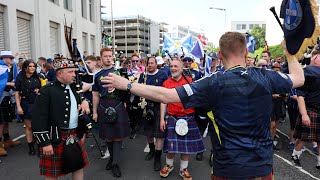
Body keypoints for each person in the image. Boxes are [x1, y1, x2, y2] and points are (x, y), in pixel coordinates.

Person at [102, 32, 304, 179]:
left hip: (227, 169)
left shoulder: (213, 82)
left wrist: (127, 84)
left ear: (221, 57)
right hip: (262, 168)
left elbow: (167, 95)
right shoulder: (265, 76)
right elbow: (298, 78)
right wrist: (290, 53)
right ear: (246, 53)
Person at [32, 56, 90, 180]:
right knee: (52, 174)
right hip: (55, 138)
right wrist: (45, 143)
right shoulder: (47, 91)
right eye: (70, 72)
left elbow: (81, 96)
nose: (74, 75)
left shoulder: (75, 87)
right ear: (59, 73)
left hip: (74, 135)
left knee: (78, 166)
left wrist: (84, 100)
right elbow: (38, 118)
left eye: (74, 71)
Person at [159, 59, 205, 180]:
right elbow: (163, 101)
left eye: (175, 66)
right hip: (173, 117)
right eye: (171, 66)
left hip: (188, 118)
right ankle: (169, 165)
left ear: (181, 68)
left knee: (186, 148)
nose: (173, 68)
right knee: (171, 145)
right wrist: (162, 119)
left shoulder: (189, 82)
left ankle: (183, 169)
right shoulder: (166, 83)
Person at [92, 47, 130, 178]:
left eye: (110, 56)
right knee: (108, 136)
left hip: (118, 104)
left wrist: (125, 104)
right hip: (103, 105)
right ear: (101, 58)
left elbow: (127, 90)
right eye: (105, 56)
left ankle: (115, 163)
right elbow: (95, 95)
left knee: (118, 136)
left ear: (113, 57)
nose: (108, 58)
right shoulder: (97, 75)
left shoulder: (119, 72)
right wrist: (94, 112)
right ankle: (112, 159)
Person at [291, 45, 320, 169]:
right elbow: (300, 95)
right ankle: (295, 154)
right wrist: (304, 114)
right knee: (304, 138)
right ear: (314, 58)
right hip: (310, 109)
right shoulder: (309, 71)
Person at [138, 56, 168, 171]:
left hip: (159, 107)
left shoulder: (162, 75)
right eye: (148, 63)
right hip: (146, 107)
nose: (150, 65)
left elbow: (165, 92)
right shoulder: (143, 76)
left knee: (159, 134)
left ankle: (157, 158)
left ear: (156, 64)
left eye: (152, 63)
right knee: (149, 133)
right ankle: (151, 150)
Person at [15, 60, 41, 155]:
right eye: (30, 66)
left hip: (37, 104)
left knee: (37, 126)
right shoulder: (20, 78)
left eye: (34, 66)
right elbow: (17, 93)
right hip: (25, 104)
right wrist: (18, 107)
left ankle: (39, 146)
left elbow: (42, 89)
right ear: (25, 68)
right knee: (29, 126)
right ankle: (31, 147)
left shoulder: (37, 77)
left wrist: (39, 91)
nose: (32, 68)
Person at [0, 50, 21, 157]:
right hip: (1, 96)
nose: (12, 60)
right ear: (4, 58)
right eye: (10, 58)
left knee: (6, 119)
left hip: (7, 95)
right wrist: (9, 83)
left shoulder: (9, 68)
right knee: (1, 121)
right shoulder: (1, 67)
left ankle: (7, 139)